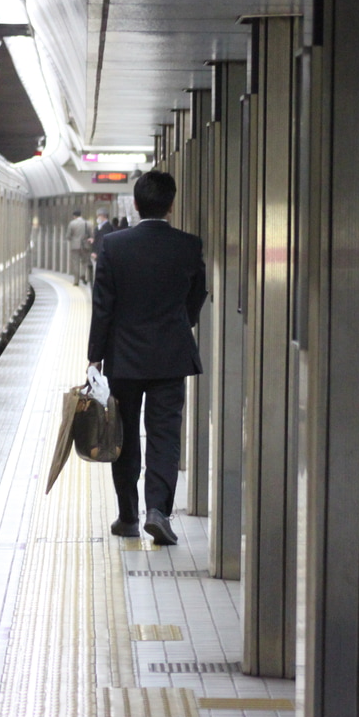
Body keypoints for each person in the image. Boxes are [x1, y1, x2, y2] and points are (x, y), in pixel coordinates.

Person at [87, 170, 207, 546]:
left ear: (136, 205)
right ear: (171, 204)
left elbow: (102, 306)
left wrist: (95, 357)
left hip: (124, 358)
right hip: (171, 356)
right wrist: (179, 324)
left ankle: (127, 516)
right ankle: (158, 510)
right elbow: (197, 295)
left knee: (123, 435)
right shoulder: (188, 245)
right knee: (164, 434)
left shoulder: (114, 245)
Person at [66, 210, 91, 284]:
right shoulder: (88, 223)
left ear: (74, 216)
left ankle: (76, 281)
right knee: (84, 262)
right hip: (85, 245)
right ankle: (83, 274)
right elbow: (91, 235)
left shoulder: (72, 223)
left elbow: (68, 236)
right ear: (81, 215)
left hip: (75, 246)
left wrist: (73, 239)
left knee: (75, 263)